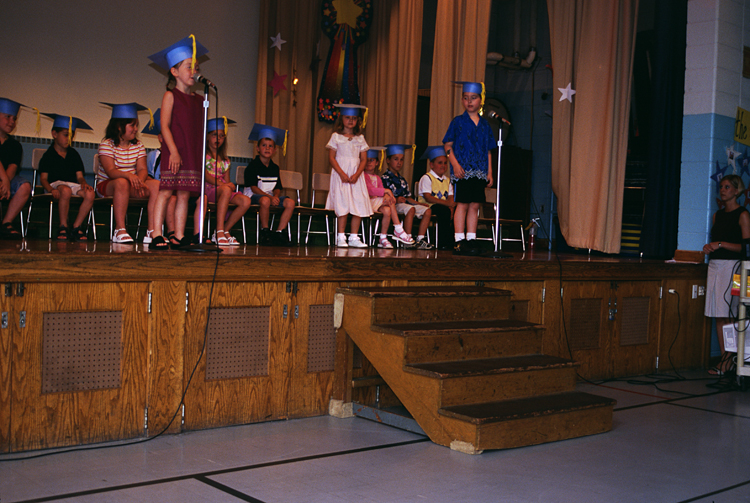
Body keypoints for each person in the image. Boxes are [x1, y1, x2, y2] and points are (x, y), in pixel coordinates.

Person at [147, 35, 208, 249]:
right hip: (175, 151)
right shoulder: (170, 96)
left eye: (197, 67)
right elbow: (164, 126)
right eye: (189, 67)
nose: (194, 72)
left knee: (184, 193)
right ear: (174, 71)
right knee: (165, 191)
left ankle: (179, 235)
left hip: (190, 153)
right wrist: (172, 151)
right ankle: (156, 233)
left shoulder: (200, 100)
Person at [703, 174, 750, 376]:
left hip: (734, 267)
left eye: (727, 187)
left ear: (736, 190)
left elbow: (745, 248)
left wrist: (721, 244)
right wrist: (710, 247)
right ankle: (725, 358)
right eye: (721, 186)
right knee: (718, 313)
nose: (723, 190)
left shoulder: (742, 214)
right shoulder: (717, 215)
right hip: (715, 265)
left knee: (730, 313)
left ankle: (729, 359)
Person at [443, 81, 495, 256]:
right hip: (462, 171)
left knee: (475, 205)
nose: (469, 102)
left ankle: (471, 238)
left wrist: (490, 172)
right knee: (463, 203)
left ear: (480, 100)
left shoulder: (485, 125)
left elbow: (488, 150)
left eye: (473, 98)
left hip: (480, 170)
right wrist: (455, 164)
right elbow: (448, 146)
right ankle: (459, 239)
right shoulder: (458, 122)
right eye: (466, 98)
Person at [96, 102, 160, 244]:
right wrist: (129, 176)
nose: (136, 129)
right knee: (121, 182)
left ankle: (152, 230)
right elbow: (111, 172)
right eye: (132, 125)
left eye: (136, 125)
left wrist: (140, 180)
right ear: (119, 126)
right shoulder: (106, 144)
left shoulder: (138, 145)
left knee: (156, 185)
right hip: (108, 185)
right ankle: (120, 229)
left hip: (132, 183)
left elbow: (142, 169)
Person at [38, 114, 95, 241]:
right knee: (65, 190)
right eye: (65, 135)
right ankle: (63, 225)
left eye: (71, 135)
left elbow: (79, 177)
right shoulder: (49, 155)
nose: (69, 138)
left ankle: (76, 226)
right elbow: (43, 178)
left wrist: (84, 183)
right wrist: (50, 189)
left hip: (71, 184)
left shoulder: (74, 154)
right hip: (55, 184)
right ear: (54, 134)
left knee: (90, 194)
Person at [195, 117, 250, 246]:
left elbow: (227, 180)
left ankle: (225, 230)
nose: (218, 139)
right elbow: (206, 176)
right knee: (225, 189)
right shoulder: (203, 156)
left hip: (221, 191)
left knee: (245, 201)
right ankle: (219, 230)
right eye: (214, 135)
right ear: (207, 137)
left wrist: (228, 185)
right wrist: (224, 185)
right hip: (207, 189)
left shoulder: (225, 160)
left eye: (221, 136)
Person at [325, 104, 371, 248]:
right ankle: (341, 236)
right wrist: (342, 173)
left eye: (354, 118)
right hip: (341, 175)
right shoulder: (336, 137)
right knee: (343, 204)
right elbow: (332, 158)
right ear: (341, 119)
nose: (351, 121)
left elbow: (363, 159)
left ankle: (354, 237)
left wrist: (357, 174)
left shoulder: (360, 138)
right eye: (347, 118)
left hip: (356, 176)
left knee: (358, 204)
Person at [243, 123, 295, 246]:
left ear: (275, 150)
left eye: (270, 146)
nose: (267, 148)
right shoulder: (252, 166)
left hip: (270, 196)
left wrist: (275, 196)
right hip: (254, 196)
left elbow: (277, 187)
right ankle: (265, 231)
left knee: (290, 202)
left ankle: (279, 232)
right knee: (265, 201)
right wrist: (271, 198)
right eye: (264, 145)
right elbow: (254, 188)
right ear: (258, 148)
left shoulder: (275, 167)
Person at [381, 144, 434, 249]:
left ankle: (420, 239)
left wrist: (419, 204)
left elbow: (408, 197)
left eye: (401, 160)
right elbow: (383, 197)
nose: (399, 162)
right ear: (388, 160)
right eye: (396, 159)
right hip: (393, 206)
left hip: (405, 204)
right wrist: (396, 199)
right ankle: (408, 238)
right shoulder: (384, 178)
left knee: (427, 211)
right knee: (410, 209)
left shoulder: (402, 179)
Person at [363, 147, 414, 248]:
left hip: (376, 203)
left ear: (377, 163)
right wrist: (387, 192)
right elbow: (370, 190)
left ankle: (383, 238)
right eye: (367, 160)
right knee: (390, 200)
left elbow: (381, 189)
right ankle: (398, 228)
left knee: (387, 211)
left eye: (372, 160)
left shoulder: (377, 178)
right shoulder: (363, 176)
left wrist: (386, 194)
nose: (369, 163)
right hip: (366, 202)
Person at [142, 109, 177, 245]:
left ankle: (172, 232)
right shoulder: (154, 155)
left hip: (173, 189)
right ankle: (168, 232)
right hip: (159, 189)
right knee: (170, 198)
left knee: (174, 197)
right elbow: (148, 177)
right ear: (160, 138)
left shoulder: (177, 156)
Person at [0, 97, 31, 239]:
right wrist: (4, 181)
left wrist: (6, 182)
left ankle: (6, 223)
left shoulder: (14, 145)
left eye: (14, 119)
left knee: (24, 186)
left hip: (7, 179)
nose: (12, 122)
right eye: (7, 117)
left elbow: (13, 165)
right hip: (3, 179)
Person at [418, 145, 455, 250]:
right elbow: (428, 197)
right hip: (428, 206)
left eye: (445, 163)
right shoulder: (427, 178)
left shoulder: (447, 180)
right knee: (443, 211)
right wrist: (447, 205)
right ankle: (443, 242)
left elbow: (451, 197)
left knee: (457, 212)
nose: (443, 165)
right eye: (439, 163)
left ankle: (454, 240)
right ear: (431, 165)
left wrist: (451, 207)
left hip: (444, 206)